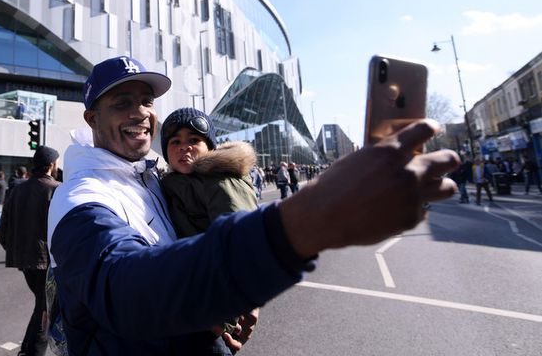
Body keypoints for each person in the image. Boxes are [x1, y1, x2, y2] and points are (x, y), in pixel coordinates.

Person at [46, 55, 459, 355]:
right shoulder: (80, 198)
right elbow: (125, 290)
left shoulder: (152, 173)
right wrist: (308, 220)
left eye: (147, 101)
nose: (140, 112)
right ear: (91, 119)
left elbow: (192, 252)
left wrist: (235, 297)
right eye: (121, 103)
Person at [159, 107, 260, 352]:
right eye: (175, 141)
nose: (184, 147)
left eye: (194, 140)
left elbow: (240, 247)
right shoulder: (175, 184)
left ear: (210, 147)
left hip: (214, 310)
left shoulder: (222, 181)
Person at [0, 146, 61, 356]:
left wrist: (16, 250)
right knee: (45, 309)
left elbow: (3, 229)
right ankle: (33, 352)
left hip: (25, 260)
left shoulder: (18, 189)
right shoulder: (56, 189)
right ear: (51, 165)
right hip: (46, 260)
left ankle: (27, 349)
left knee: (42, 305)